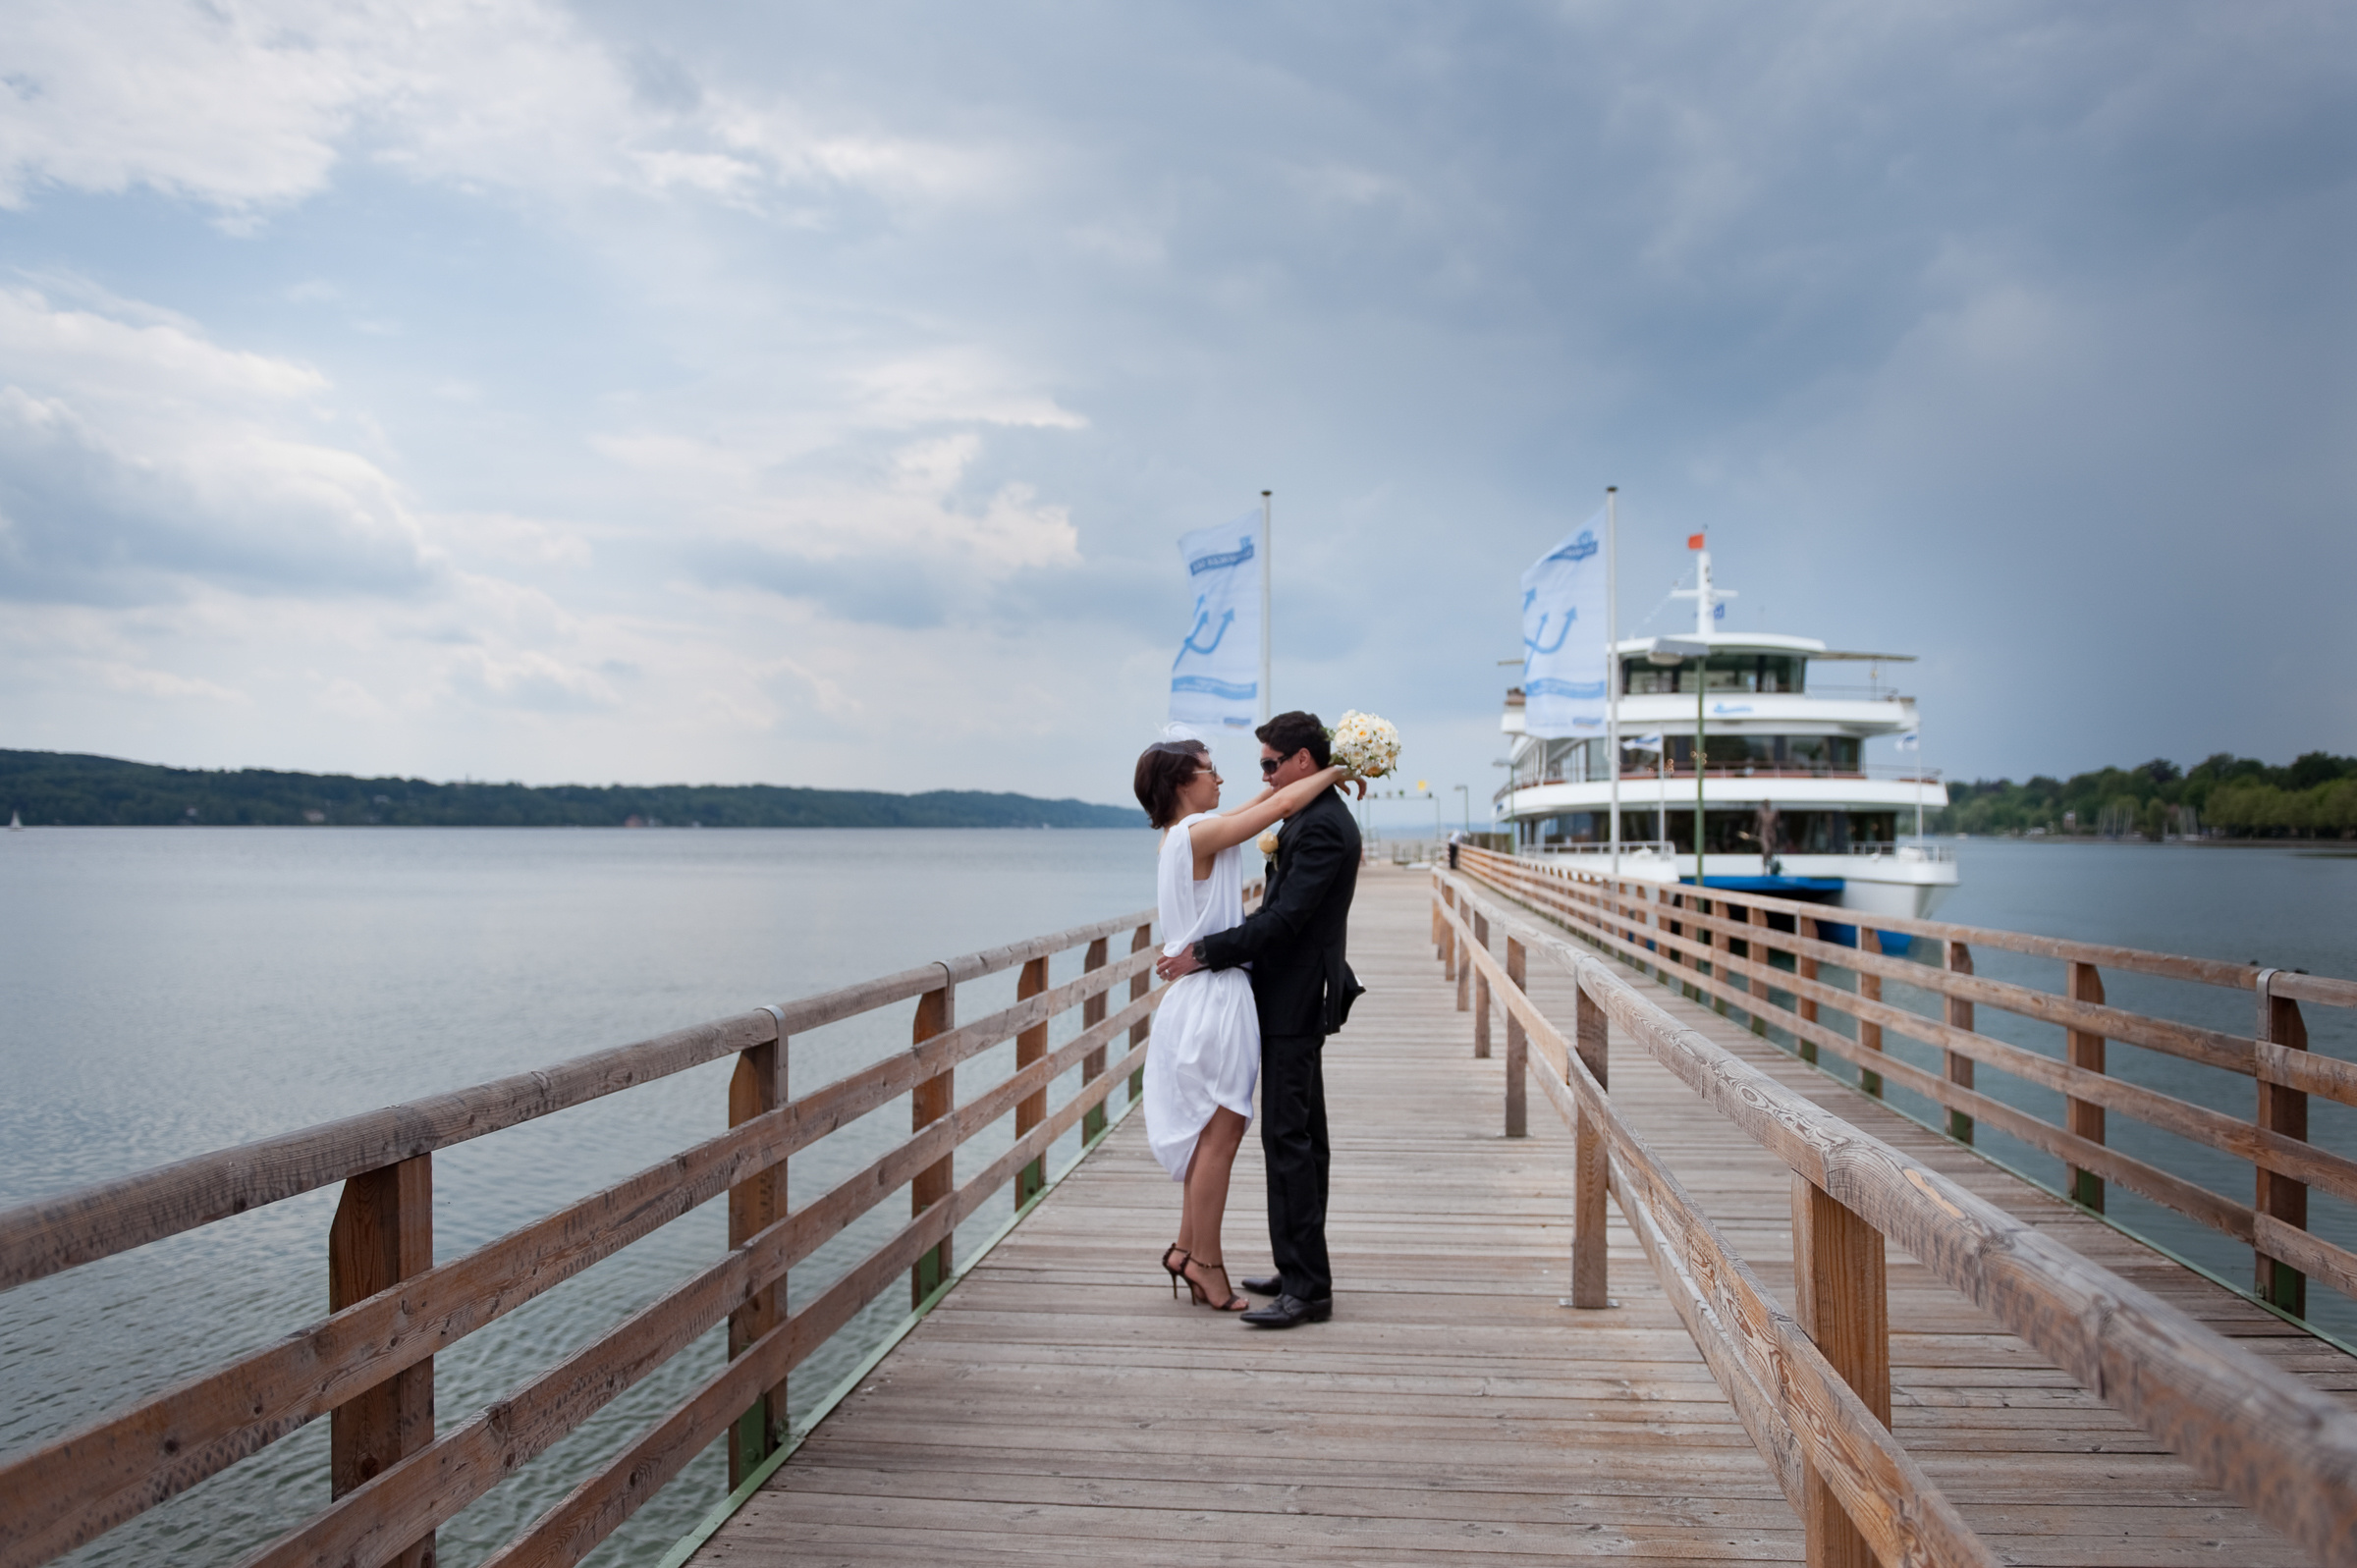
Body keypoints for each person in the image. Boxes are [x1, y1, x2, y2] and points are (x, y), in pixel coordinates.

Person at [1132, 727, 1361, 1315]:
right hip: (1211, 995)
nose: (1222, 777)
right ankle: (1206, 1263)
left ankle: (1188, 1249)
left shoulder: (1182, 834)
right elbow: (1281, 803)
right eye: (1209, 769)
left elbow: (1262, 805)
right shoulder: (1198, 833)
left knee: (1214, 1129)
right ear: (1181, 782)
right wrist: (1343, 769)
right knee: (1223, 1133)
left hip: (1201, 994)